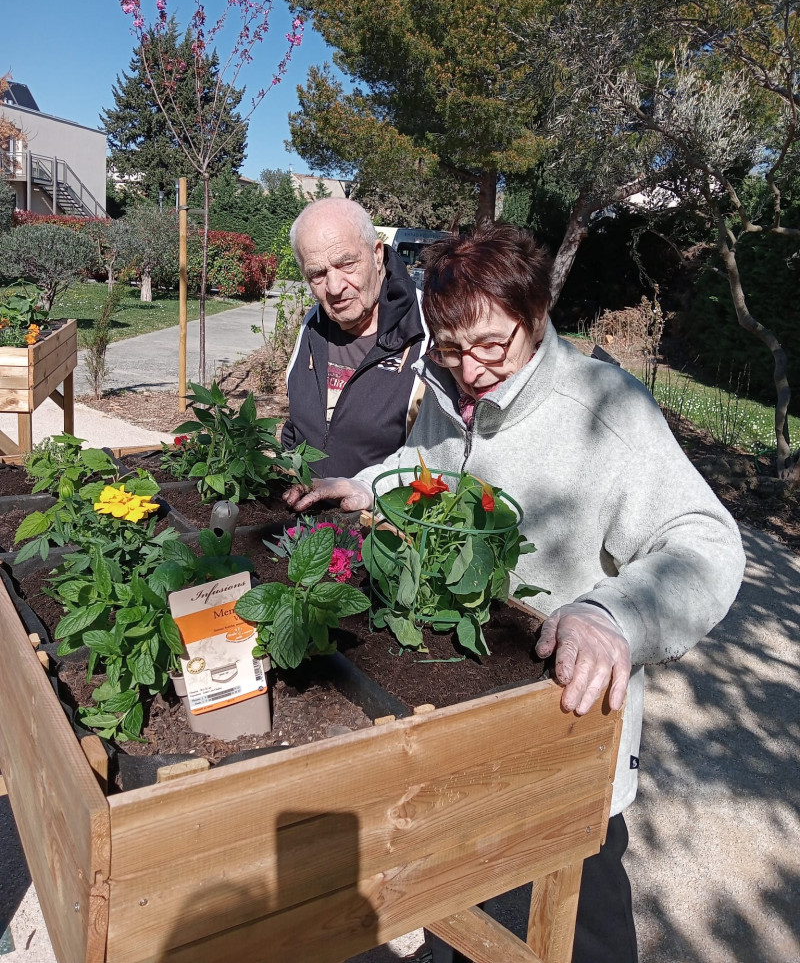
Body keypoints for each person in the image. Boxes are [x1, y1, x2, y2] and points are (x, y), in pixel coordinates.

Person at [285, 223, 746, 962]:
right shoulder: (453, 383)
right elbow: (426, 458)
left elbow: (709, 544)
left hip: (565, 733)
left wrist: (610, 615)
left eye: (491, 346)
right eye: (451, 348)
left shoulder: (606, 413)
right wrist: (364, 484)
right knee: (460, 911)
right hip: (466, 722)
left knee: (577, 925)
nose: (470, 369)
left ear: (534, 318)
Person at [281, 198, 429, 478]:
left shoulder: (428, 329)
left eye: (346, 264)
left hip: (383, 518)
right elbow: (297, 427)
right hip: (305, 517)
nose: (334, 287)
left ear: (376, 254)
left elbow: (443, 455)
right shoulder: (312, 324)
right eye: (317, 274)